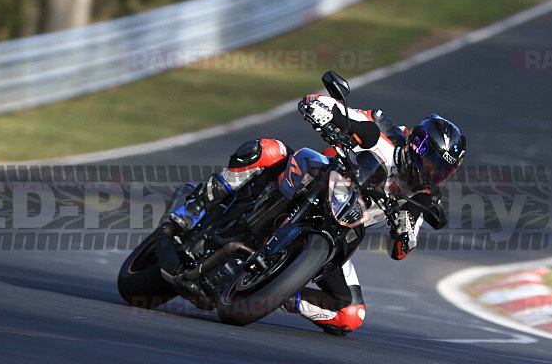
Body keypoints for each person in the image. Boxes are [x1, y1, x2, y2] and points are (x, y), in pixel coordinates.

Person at [163, 92, 466, 335]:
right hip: (318, 180)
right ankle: (194, 207)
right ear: (418, 145)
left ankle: (279, 292)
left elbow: (401, 249)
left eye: (442, 170)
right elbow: (330, 106)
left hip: (342, 227)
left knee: (350, 315)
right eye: (431, 163)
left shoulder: (424, 197)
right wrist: (322, 111)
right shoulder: (382, 131)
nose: (432, 173)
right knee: (269, 151)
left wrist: (402, 229)